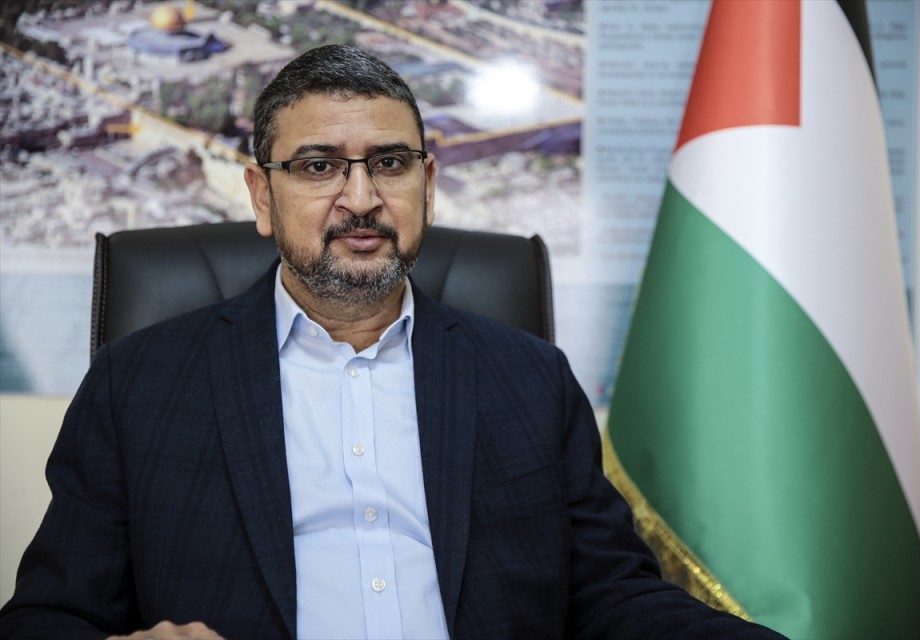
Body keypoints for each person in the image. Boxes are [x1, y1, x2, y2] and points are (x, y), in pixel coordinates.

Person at [0, 45, 787, 640]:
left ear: (428, 186)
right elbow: (48, 615)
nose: (362, 197)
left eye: (390, 163)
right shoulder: (140, 384)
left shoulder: (529, 379)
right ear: (262, 197)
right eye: (319, 166)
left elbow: (612, 594)